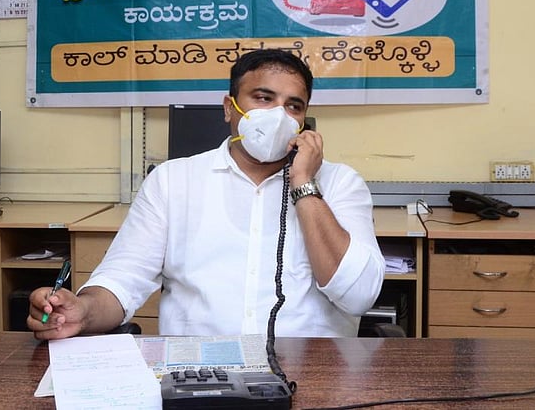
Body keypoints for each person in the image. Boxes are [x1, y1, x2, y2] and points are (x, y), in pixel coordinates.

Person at [28, 48, 384, 338]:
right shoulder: (172, 181)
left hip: (313, 370)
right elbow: (123, 279)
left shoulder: (339, 183)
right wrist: (82, 312)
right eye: (263, 98)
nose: (279, 115)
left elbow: (357, 296)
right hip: (197, 372)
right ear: (230, 107)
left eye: (293, 106)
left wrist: (304, 184)